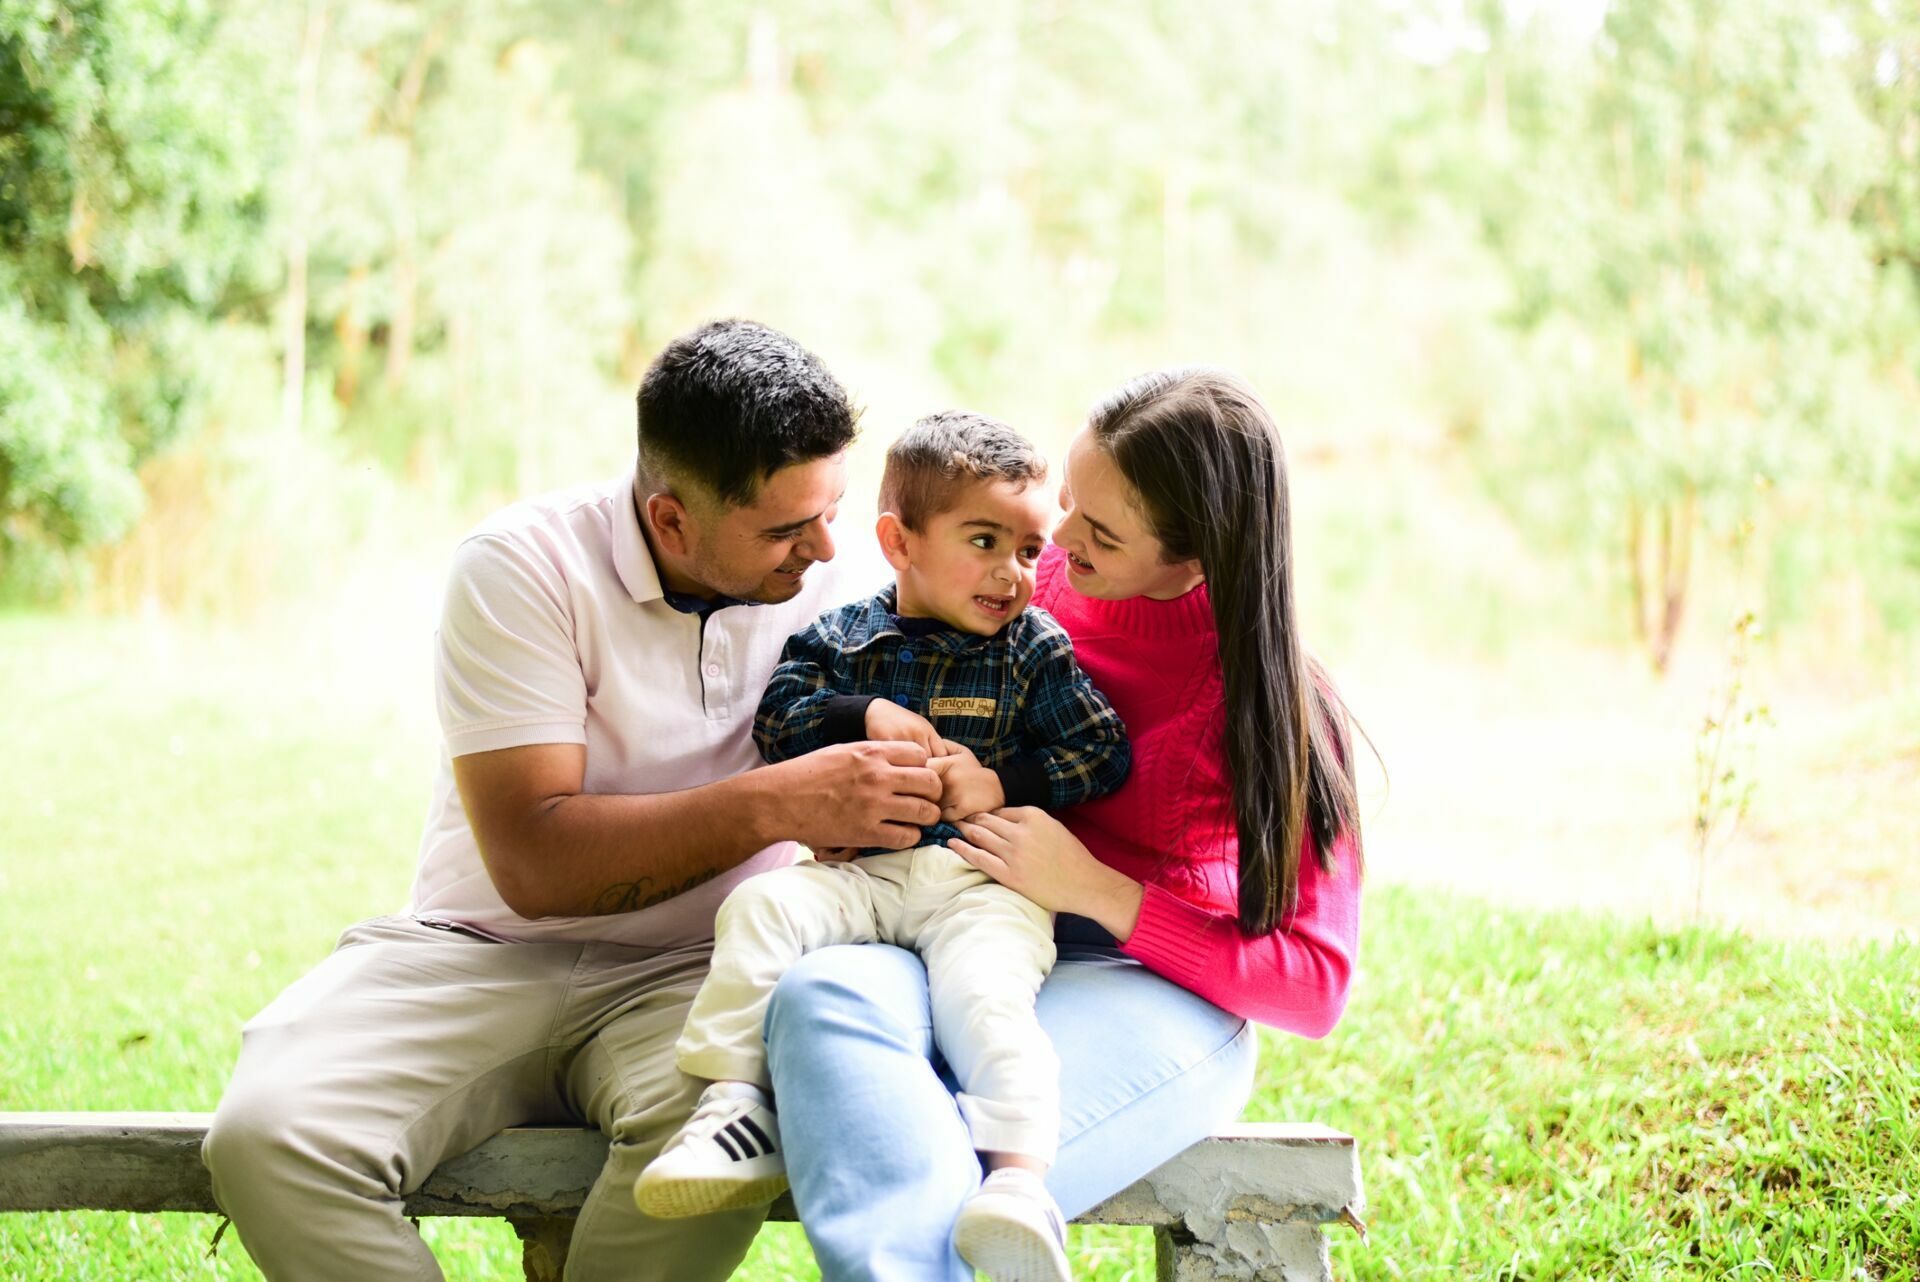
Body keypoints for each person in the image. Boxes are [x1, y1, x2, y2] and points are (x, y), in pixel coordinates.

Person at [199, 319, 948, 1282]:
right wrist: (778, 805)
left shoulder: (843, 576)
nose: (824, 545)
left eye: (832, 506)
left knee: (725, 1137)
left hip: (701, 972)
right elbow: (534, 863)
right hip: (475, 952)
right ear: (671, 519)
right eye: (782, 528)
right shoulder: (522, 567)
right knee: (270, 1137)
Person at [760, 367, 1367, 1282]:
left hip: (1138, 986)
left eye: (1100, 531)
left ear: (1194, 558)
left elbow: (1314, 984)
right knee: (816, 1001)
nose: (1056, 540)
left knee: (967, 1172)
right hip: (947, 920)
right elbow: (881, 662)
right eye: (1070, 499)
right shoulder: (1024, 584)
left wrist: (1096, 890)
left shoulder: (1276, 703)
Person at [636, 411, 1129, 1282]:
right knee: (760, 907)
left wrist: (1003, 781)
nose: (1012, 573)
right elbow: (779, 714)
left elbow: (1100, 751)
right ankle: (734, 1103)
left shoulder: (1032, 651)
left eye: (1027, 549)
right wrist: (859, 715)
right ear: (899, 541)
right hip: (858, 874)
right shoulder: (845, 640)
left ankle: (1017, 1185)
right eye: (984, 541)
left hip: (980, 880)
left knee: (987, 996)